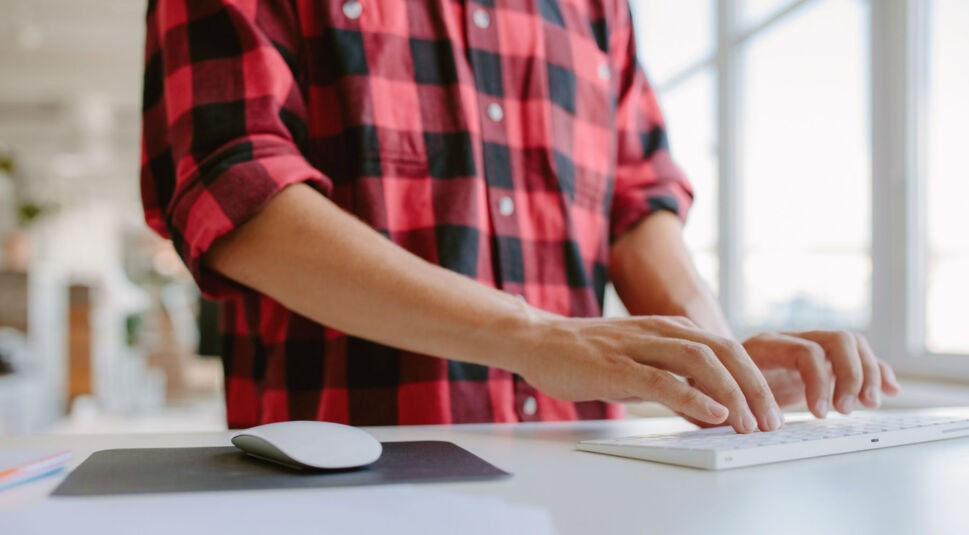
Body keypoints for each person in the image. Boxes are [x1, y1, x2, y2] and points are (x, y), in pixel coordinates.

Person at [141, 0, 900, 432]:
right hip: (349, 474)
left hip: (582, 479)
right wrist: (534, 337)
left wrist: (719, 360)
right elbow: (235, 192)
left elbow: (637, 198)